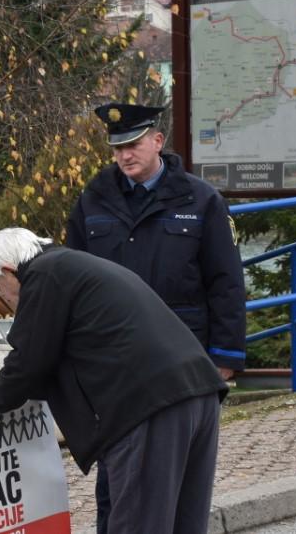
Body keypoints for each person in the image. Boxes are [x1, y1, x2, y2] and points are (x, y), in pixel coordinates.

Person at [65, 102, 245, 532]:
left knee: (180, 483)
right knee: (118, 480)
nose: (125, 156)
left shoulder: (200, 201)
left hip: (182, 362)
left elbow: (226, 281)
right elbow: (70, 282)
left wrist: (225, 354)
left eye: (133, 145)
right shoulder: (93, 201)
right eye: (117, 149)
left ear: (157, 141)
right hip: (115, 367)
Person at [0, 228, 228, 533]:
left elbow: (29, 361)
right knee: (183, 524)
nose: (1, 295)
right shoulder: (74, 265)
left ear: (9, 272)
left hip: (149, 407)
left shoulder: (43, 275)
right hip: (198, 391)